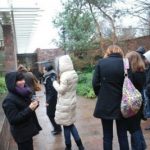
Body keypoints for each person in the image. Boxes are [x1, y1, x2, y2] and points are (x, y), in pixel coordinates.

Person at [92, 45, 129, 150]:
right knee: (123, 135)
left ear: (108, 52)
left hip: (105, 103)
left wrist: (100, 94)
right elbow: (129, 82)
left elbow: (95, 83)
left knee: (107, 136)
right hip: (123, 103)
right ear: (120, 51)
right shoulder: (125, 62)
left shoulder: (101, 63)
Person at [2, 71, 42, 150]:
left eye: (23, 79)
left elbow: (27, 108)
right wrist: (30, 108)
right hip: (21, 133)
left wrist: (35, 104)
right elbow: (13, 119)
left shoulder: (22, 93)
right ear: (12, 82)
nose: (23, 81)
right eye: (19, 80)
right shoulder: (8, 100)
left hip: (28, 129)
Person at [52, 55, 84, 150]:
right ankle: (80, 146)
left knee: (66, 126)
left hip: (65, 103)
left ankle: (68, 146)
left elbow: (61, 90)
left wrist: (54, 83)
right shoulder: (73, 73)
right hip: (72, 101)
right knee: (70, 124)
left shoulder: (65, 75)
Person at [125, 51, 146, 150]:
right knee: (136, 126)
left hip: (132, 102)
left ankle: (137, 147)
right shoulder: (141, 71)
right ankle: (142, 145)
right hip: (140, 101)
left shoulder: (131, 73)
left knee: (133, 129)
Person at [43, 65, 61, 135]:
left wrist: (48, 101)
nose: (43, 70)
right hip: (53, 97)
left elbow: (52, 90)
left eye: (44, 68)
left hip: (51, 99)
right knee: (53, 114)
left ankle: (57, 128)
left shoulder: (49, 77)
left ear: (47, 69)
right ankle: (57, 128)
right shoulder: (52, 75)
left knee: (50, 114)